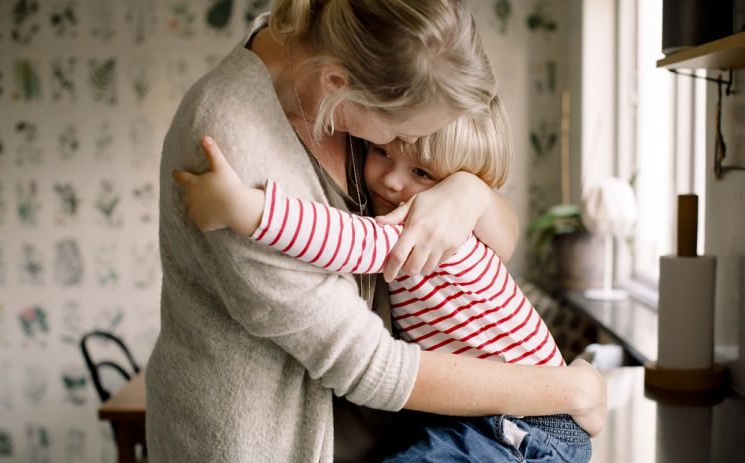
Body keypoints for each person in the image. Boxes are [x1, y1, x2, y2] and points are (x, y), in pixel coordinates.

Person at [146, 0, 605, 461]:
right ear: (338, 86)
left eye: (425, 170)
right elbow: (367, 363)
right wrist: (567, 391)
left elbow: (501, 241)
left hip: (444, 429)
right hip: (258, 445)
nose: (391, 173)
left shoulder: (345, 80)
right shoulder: (232, 140)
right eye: (393, 139)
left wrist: (468, 193)